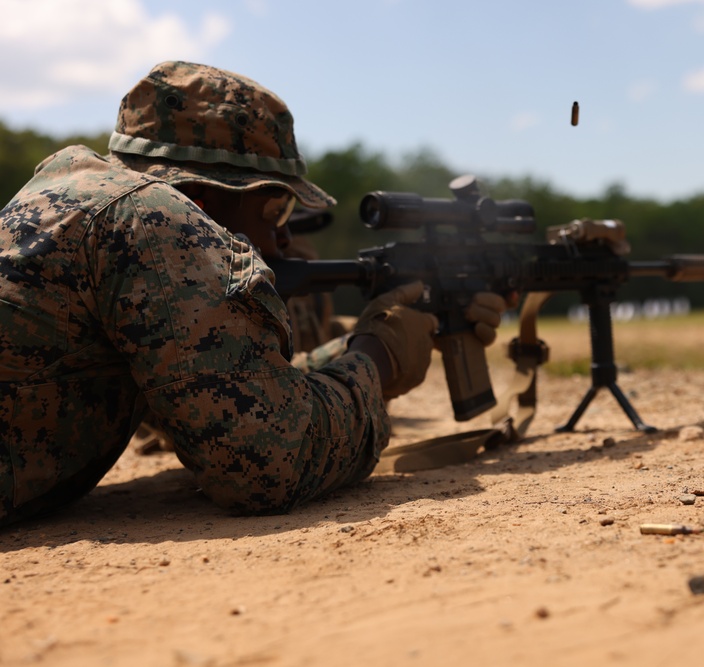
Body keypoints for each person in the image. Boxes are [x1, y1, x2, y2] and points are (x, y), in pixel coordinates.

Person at [0, 61, 505, 527]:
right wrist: (378, 360)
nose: (284, 239)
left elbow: (222, 387)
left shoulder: (77, 190)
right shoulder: (157, 217)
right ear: (201, 200)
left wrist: (367, 342)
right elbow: (266, 460)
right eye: (275, 210)